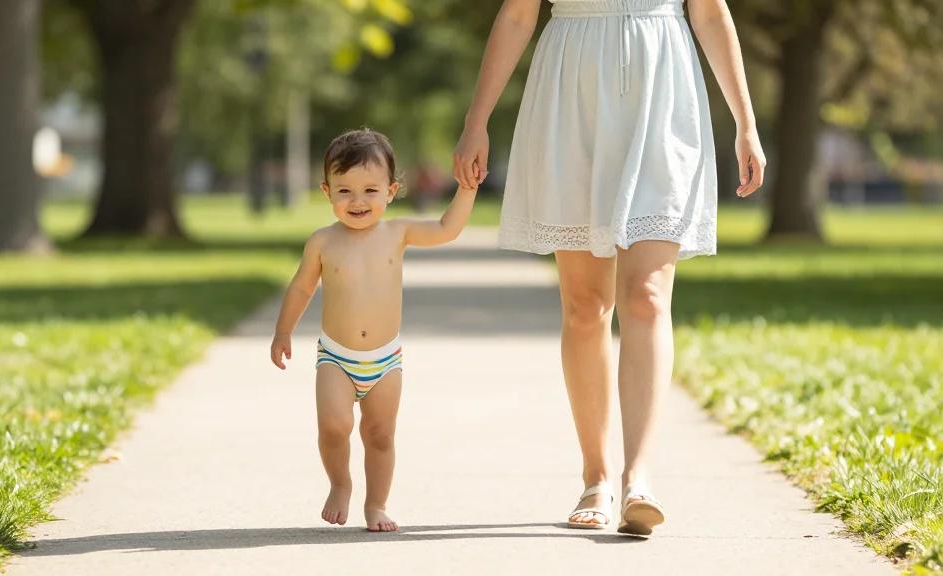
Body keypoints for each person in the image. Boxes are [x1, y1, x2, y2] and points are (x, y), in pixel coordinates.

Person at [453, 0, 766, 534]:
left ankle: (637, 478)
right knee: (584, 305)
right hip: (570, 93)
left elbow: (710, 15)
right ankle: (596, 476)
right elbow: (517, 16)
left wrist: (745, 123)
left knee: (646, 295)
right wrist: (476, 120)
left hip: (662, 93)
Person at [271, 128, 478, 532]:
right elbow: (301, 287)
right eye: (344, 191)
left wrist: (466, 189)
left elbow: (447, 228)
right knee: (334, 427)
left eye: (370, 190)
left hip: (385, 360)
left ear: (391, 190)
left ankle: (377, 503)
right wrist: (283, 331)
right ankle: (340, 483)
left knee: (380, 435)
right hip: (336, 356)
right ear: (326, 191)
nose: (358, 201)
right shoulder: (323, 242)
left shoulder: (398, 233)